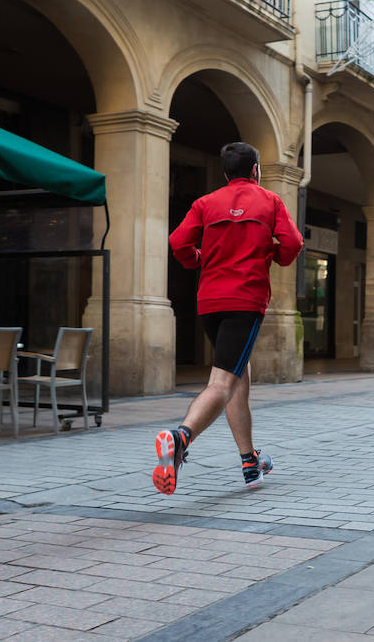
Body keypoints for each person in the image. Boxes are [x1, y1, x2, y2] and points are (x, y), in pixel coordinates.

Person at [156, 142, 303, 494]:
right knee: (222, 383)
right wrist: (274, 255)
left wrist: (198, 259)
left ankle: (251, 462)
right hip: (245, 300)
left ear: (225, 173)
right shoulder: (270, 201)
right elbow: (293, 243)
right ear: (255, 169)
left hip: (209, 303)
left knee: (237, 378)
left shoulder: (205, 203)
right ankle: (180, 438)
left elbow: (178, 243)